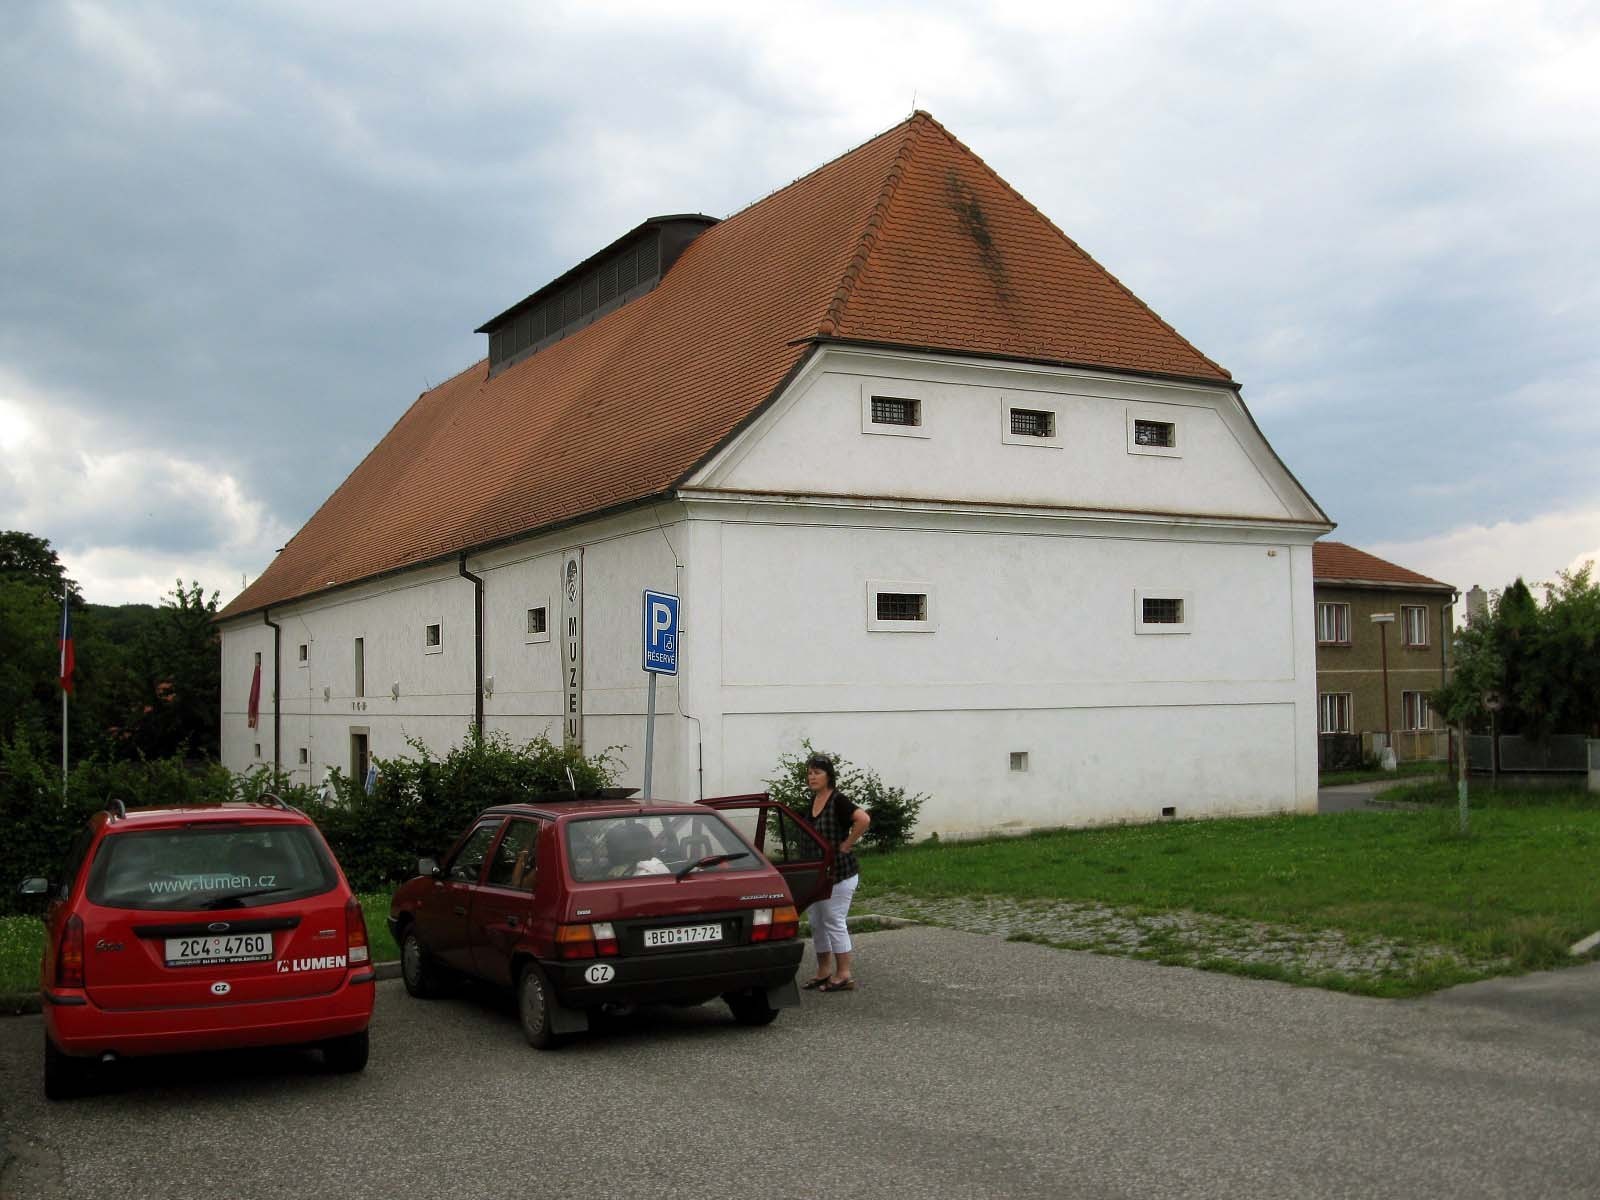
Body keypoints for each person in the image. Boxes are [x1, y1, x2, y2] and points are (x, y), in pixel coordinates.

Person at [800, 753, 870, 992]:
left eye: (817, 772)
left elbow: (863, 819)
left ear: (829, 776)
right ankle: (823, 971)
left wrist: (847, 843)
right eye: (809, 773)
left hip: (840, 874)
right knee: (817, 922)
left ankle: (843, 974)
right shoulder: (813, 801)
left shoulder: (838, 800)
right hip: (819, 874)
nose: (812, 777)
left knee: (834, 920)